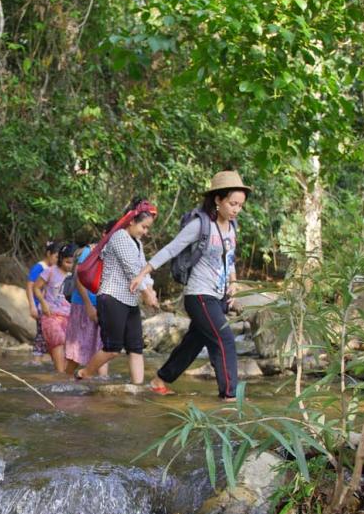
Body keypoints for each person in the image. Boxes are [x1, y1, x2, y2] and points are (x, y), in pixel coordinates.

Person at [130, 170, 250, 401]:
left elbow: (230, 259)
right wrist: (143, 273)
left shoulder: (232, 228)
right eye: (233, 203)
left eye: (240, 205)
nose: (236, 209)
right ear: (218, 199)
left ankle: (160, 380)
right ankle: (230, 396)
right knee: (224, 339)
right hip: (199, 295)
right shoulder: (201, 225)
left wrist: (233, 285)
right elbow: (171, 249)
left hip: (218, 296)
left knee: (194, 342)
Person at [75, 199, 159, 384]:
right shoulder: (119, 237)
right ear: (132, 221)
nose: (145, 232)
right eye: (143, 227)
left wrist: (150, 290)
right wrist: (146, 294)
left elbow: (142, 269)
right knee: (113, 348)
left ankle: (138, 388)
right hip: (112, 297)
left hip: (130, 300)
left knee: (136, 347)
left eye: (147, 228)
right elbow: (131, 270)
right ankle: (85, 373)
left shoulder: (137, 243)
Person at [64, 232, 109, 377]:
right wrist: (89, 305)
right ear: (104, 234)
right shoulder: (89, 252)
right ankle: (65, 380)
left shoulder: (113, 253)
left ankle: (103, 382)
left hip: (103, 303)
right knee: (78, 348)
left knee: (103, 346)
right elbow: (79, 278)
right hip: (83, 305)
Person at [34, 243, 77, 373]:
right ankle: (60, 375)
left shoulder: (76, 275)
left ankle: (62, 376)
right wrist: (42, 302)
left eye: (72, 263)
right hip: (50, 315)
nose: (69, 265)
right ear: (60, 259)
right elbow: (36, 287)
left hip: (69, 317)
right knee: (59, 339)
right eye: (67, 262)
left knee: (68, 349)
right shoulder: (50, 271)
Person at [26, 240, 58, 364]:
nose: (57, 260)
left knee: (48, 334)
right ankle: (37, 361)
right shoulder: (39, 267)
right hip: (39, 306)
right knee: (41, 334)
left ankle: (47, 360)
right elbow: (29, 286)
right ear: (48, 254)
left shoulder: (52, 268)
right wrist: (32, 306)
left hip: (48, 306)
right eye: (56, 257)